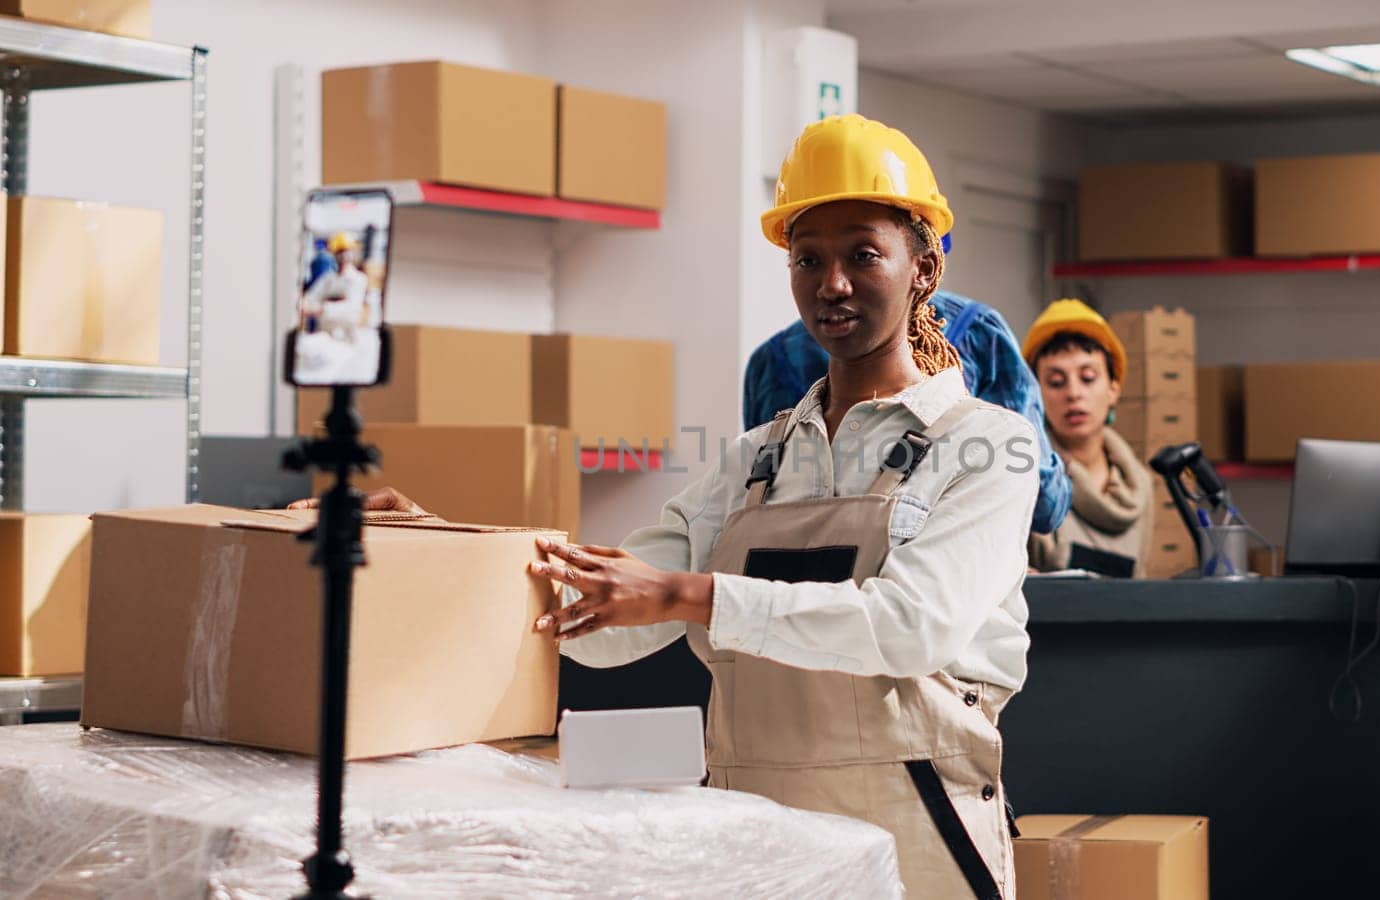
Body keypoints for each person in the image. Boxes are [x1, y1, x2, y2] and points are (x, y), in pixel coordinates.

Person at [304, 114, 1039, 900]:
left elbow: (909, 625)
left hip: (917, 840)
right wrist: (441, 549)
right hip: (760, 842)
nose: (832, 283)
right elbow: (599, 627)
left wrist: (685, 594)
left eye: (864, 254)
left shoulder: (987, 447)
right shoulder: (756, 460)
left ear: (923, 267)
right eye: (808, 258)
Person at [745, 290, 1071, 536]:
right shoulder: (976, 332)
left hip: (789, 604)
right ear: (927, 261)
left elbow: (756, 502)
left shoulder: (768, 360)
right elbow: (1045, 505)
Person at [1021, 299, 1154, 577]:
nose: (1073, 393)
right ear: (1036, 394)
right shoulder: (1021, 472)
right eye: (1056, 382)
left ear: (1113, 389)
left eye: (1088, 377)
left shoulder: (1139, 483)